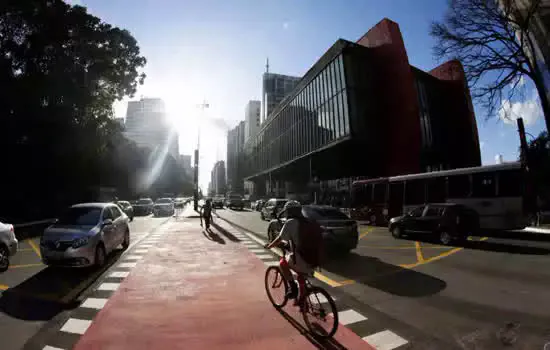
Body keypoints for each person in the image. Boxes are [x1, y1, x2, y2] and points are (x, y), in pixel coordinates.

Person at [265, 200, 324, 300]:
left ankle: (293, 289)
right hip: (315, 261)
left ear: (288, 212)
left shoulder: (290, 223)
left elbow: (280, 239)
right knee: (300, 273)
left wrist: (270, 245)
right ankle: (302, 298)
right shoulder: (309, 221)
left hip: (302, 260)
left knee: (282, 263)